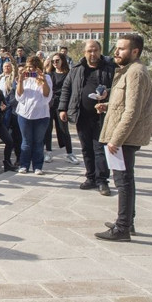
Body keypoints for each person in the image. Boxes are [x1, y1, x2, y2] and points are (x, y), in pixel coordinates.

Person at [94, 35, 152, 241]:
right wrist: (108, 106)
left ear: (135, 51)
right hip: (124, 136)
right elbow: (125, 104)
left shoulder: (135, 72)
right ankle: (128, 220)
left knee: (123, 181)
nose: (116, 52)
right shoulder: (130, 71)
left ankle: (122, 228)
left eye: (121, 49)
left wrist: (116, 139)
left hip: (125, 137)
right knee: (125, 179)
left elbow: (132, 111)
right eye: (116, 48)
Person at [58, 40, 115, 196]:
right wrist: (63, 108)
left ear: (100, 51)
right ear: (84, 52)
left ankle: (102, 180)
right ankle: (90, 177)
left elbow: (118, 87)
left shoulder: (109, 68)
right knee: (86, 148)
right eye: (89, 51)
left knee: (99, 148)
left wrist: (107, 93)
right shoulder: (77, 70)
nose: (93, 54)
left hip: (102, 116)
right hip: (82, 115)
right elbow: (66, 89)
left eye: (95, 50)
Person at [14, 56, 52, 175]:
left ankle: (38, 166)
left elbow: (47, 96)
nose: (30, 70)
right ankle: (24, 165)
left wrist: (43, 80)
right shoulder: (24, 78)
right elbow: (19, 96)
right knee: (26, 141)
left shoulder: (47, 77)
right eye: (29, 67)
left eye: (33, 67)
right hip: (24, 113)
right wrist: (20, 80)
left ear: (38, 68)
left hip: (41, 115)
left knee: (38, 141)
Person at [44, 53, 77, 164]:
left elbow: (71, 91)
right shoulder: (50, 74)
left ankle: (69, 153)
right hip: (50, 104)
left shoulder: (69, 74)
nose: (55, 63)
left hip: (62, 105)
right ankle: (48, 152)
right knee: (48, 129)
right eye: (53, 61)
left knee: (64, 130)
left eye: (57, 60)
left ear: (63, 60)